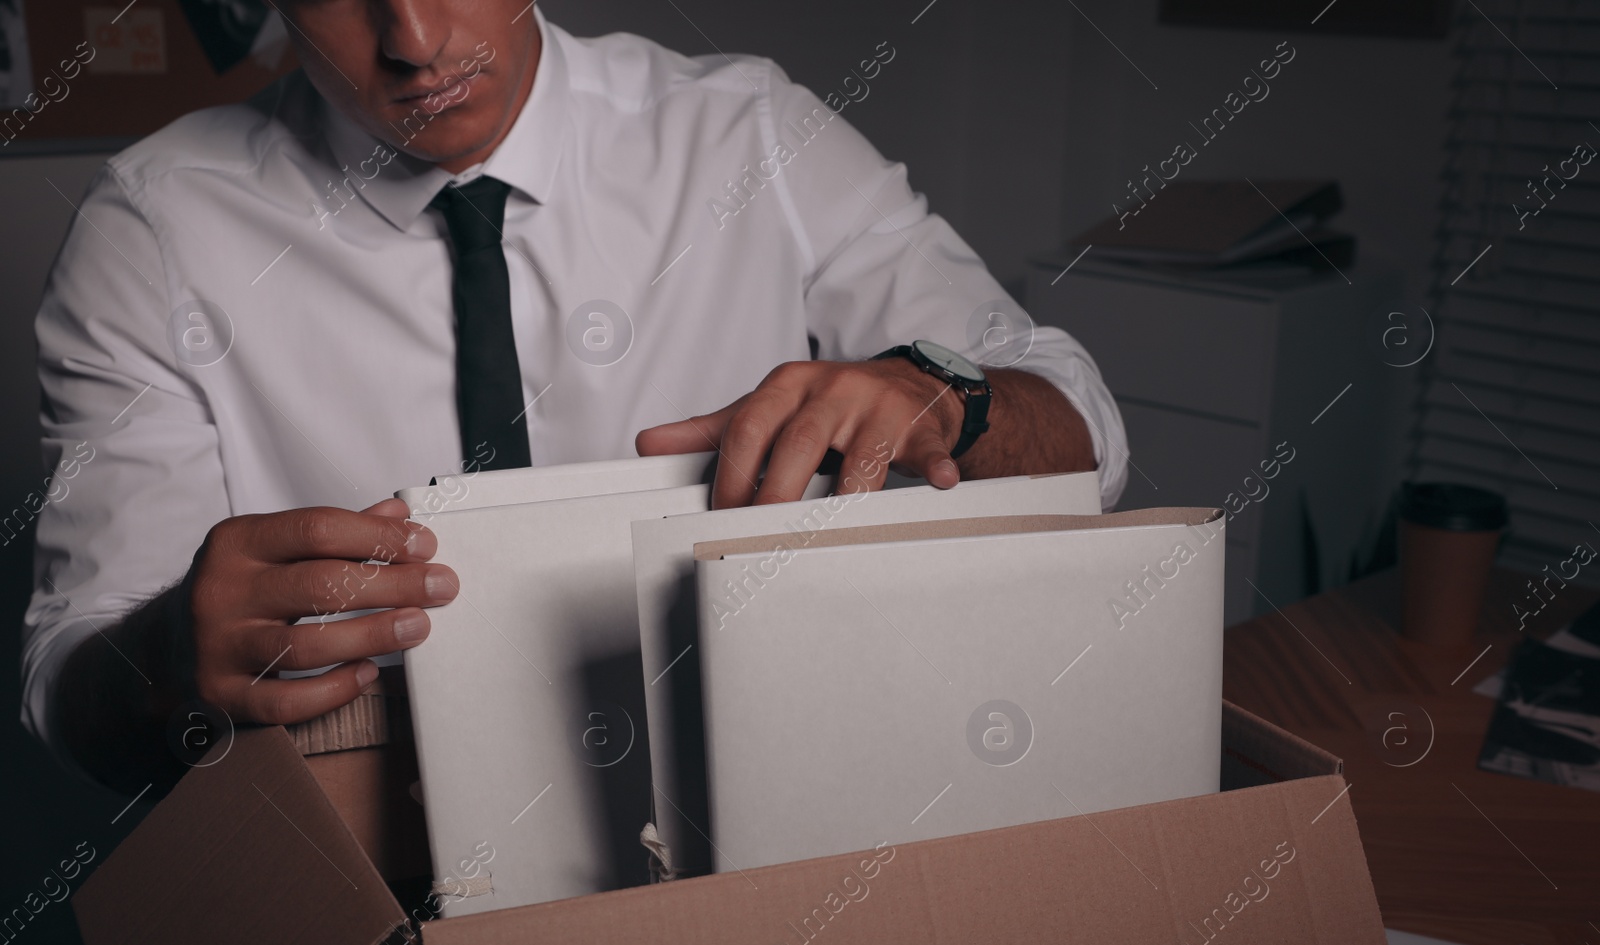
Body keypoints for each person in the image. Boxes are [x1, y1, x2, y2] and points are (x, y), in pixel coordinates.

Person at [22, 0, 1126, 796]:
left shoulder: (750, 134)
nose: (413, 38)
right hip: (372, 863)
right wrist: (165, 658)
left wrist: (947, 396)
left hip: (767, 799)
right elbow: (69, 681)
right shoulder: (151, 239)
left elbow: (1080, 423)